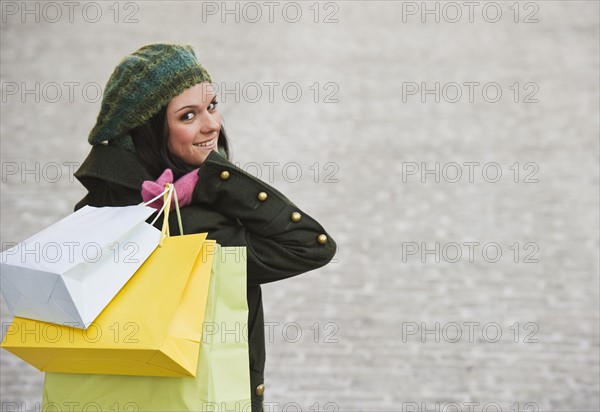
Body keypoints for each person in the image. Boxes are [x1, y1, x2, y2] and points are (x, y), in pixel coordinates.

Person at [73, 43, 337, 411]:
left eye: (211, 106)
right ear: (147, 131)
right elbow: (311, 245)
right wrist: (219, 181)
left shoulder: (100, 205)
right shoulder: (193, 227)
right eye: (187, 116)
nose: (212, 124)